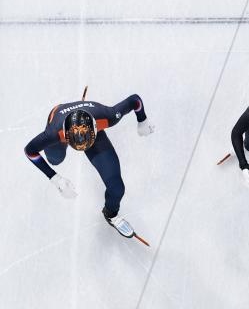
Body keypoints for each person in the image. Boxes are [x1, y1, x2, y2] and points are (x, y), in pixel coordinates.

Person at [24, 95, 154, 237]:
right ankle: (74, 142)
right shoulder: (54, 132)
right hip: (59, 120)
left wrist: (143, 120)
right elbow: (30, 151)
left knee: (116, 187)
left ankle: (110, 213)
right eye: (77, 145)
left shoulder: (108, 116)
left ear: (95, 128)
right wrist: (55, 178)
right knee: (55, 160)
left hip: (92, 127)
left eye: (86, 143)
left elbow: (134, 100)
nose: (82, 148)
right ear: (66, 137)